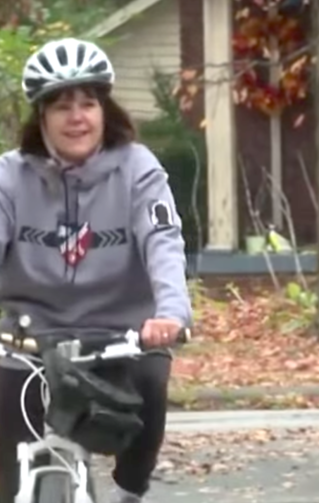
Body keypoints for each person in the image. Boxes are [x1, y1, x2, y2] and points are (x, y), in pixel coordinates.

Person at [0, 37, 193, 503]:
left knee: (150, 384)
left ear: (105, 111)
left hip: (121, 337)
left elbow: (162, 242)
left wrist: (171, 312)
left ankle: (129, 492)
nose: (77, 117)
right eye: (62, 106)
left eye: (88, 103)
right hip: (26, 338)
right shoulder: (8, 177)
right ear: (42, 117)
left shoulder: (138, 171)